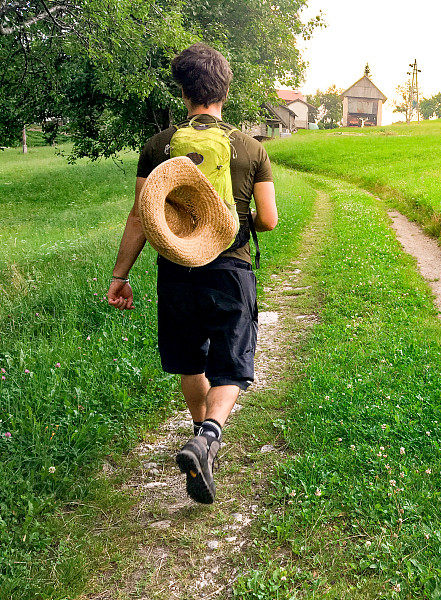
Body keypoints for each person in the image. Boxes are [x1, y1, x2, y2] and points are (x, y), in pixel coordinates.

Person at [107, 43, 278, 504]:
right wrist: (235, 224)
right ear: (225, 90)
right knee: (232, 362)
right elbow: (269, 219)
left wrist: (120, 274)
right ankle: (208, 438)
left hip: (177, 268)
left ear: (184, 91)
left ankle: (199, 438)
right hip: (231, 267)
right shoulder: (250, 148)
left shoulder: (159, 145)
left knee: (191, 360)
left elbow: (141, 215)